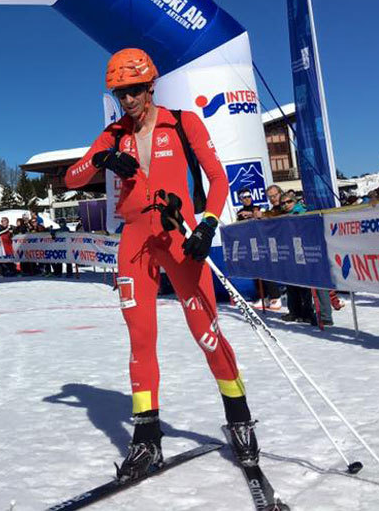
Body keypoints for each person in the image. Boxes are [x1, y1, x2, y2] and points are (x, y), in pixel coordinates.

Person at [64, 48, 261, 481]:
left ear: (151, 85)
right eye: (119, 93)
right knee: (140, 340)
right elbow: (72, 178)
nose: (128, 100)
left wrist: (207, 225)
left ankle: (240, 418)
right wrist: (101, 159)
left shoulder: (183, 121)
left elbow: (219, 178)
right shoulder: (114, 133)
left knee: (207, 332)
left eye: (134, 90)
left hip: (179, 236)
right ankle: (146, 437)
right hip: (134, 242)